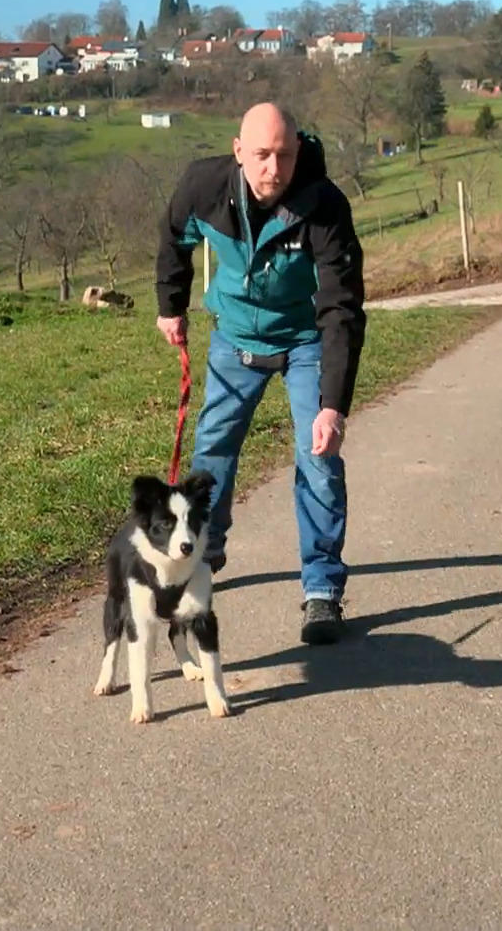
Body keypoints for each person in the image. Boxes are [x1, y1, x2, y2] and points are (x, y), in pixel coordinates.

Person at [155, 102, 366, 645]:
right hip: (234, 336)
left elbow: (342, 307)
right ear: (238, 151)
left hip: (305, 340)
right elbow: (174, 237)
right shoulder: (202, 186)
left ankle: (322, 591)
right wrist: (170, 305)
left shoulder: (323, 205)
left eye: (286, 155)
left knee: (317, 457)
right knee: (212, 453)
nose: (274, 168)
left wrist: (332, 406)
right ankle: (200, 559)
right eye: (262, 155)